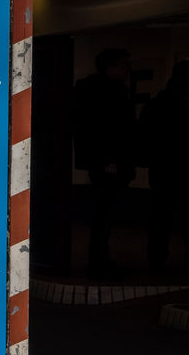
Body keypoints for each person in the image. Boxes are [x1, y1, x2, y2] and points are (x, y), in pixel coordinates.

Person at [72, 48, 139, 277]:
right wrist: (107, 160)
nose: (126, 71)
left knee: (105, 212)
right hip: (108, 162)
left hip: (106, 161)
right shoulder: (106, 93)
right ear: (110, 67)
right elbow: (101, 130)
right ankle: (99, 260)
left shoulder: (100, 91)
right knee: (105, 212)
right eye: (122, 66)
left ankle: (100, 258)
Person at [141, 60, 189, 274]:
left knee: (160, 218)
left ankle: (156, 261)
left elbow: (146, 134)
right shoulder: (180, 103)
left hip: (162, 168)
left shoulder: (158, 103)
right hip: (179, 167)